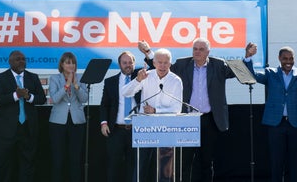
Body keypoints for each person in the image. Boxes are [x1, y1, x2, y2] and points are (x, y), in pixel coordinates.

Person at [138, 38, 241, 182]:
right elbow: (161, 67)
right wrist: (149, 52)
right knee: (184, 162)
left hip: (209, 119)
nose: (197, 52)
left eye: (201, 49)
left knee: (206, 162)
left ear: (208, 52)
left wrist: (248, 57)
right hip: (187, 119)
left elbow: (236, 72)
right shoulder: (182, 64)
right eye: (195, 49)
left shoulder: (218, 64)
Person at [244, 45, 297, 182]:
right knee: (276, 162)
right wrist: (248, 57)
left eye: (291, 58)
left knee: (296, 163)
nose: (288, 61)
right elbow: (253, 76)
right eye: (285, 58)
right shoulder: (270, 73)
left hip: (296, 124)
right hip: (276, 123)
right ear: (279, 59)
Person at [124, 48, 183, 182]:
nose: (162, 66)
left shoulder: (176, 80)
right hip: (146, 126)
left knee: (165, 168)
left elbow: (177, 108)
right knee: (141, 165)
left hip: (167, 128)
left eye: (166, 63)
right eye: (159, 62)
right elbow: (126, 93)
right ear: (154, 63)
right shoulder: (147, 76)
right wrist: (137, 80)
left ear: (170, 63)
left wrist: (156, 110)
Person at [0, 50, 47, 182]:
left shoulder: (33, 77)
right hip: (6, 130)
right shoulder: (0, 78)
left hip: (28, 128)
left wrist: (28, 96)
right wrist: (16, 95)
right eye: (18, 59)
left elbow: (42, 99)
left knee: (28, 163)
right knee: (3, 164)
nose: (22, 61)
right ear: (10, 62)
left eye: (23, 59)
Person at [100, 51, 141, 182]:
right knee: (114, 166)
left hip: (137, 130)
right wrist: (104, 123)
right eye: (125, 63)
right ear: (119, 64)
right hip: (116, 130)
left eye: (130, 62)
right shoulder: (110, 82)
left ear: (134, 63)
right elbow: (104, 104)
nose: (128, 65)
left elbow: (154, 66)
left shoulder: (142, 78)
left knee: (134, 166)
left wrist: (147, 53)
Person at [48, 52, 89, 182]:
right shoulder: (55, 78)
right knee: (58, 158)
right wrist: (67, 85)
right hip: (58, 122)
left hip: (77, 121)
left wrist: (75, 85)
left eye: (73, 63)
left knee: (75, 158)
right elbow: (54, 99)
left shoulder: (81, 77)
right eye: (67, 62)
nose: (71, 65)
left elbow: (84, 98)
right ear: (62, 64)